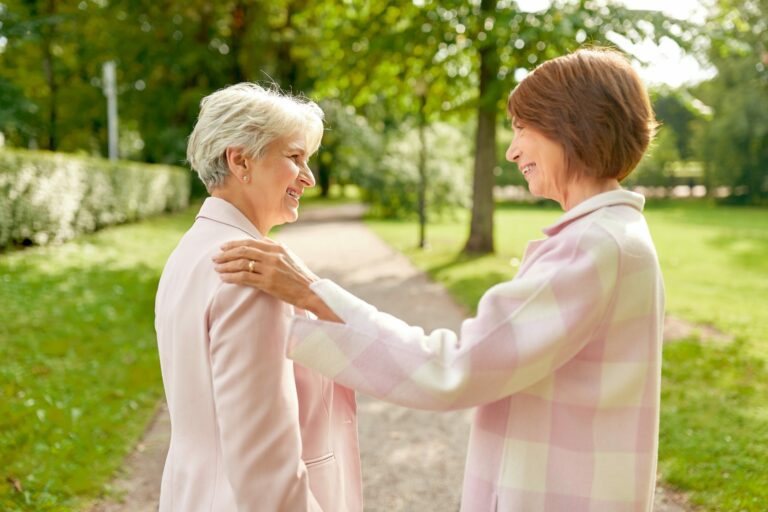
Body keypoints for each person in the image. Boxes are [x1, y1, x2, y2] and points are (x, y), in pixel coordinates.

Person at [214, 47, 665, 511]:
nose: (512, 151)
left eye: (522, 129)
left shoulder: (591, 247)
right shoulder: (613, 237)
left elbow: (453, 369)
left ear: (572, 126)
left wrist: (309, 296)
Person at [154, 83, 361, 512]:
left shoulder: (189, 251)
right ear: (240, 160)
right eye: (295, 157)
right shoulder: (252, 273)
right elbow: (268, 472)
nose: (309, 177)